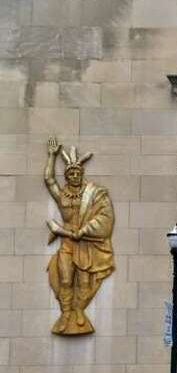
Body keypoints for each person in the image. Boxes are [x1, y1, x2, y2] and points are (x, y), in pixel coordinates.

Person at [44, 136, 115, 335]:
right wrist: (51, 156)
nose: (75, 175)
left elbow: (105, 217)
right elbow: (49, 180)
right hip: (67, 243)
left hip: (86, 245)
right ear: (67, 176)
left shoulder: (93, 194)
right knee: (66, 280)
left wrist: (85, 231)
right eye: (71, 172)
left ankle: (78, 311)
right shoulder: (62, 197)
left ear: (81, 174)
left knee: (85, 282)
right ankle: (66, 313)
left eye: (77, 172)